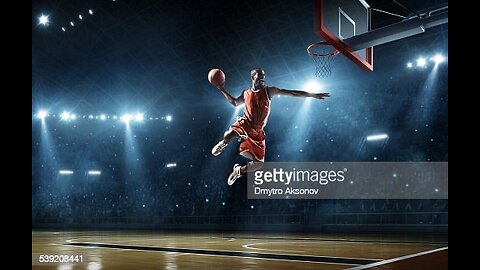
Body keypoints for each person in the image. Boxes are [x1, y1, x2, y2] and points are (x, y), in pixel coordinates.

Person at [212, 68, 330, 185]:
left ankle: (238, 171)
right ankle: (223, 143)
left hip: (258, 131)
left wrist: (312, 95)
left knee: (258, 164)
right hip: (246, 123)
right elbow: (235, 102)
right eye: (259, 75)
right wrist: (222, 89)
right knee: (229, 134)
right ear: (253, 78)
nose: (263, 77)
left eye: (264, 75)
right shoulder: (246, 93)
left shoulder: (269, 91)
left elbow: (292, 93)